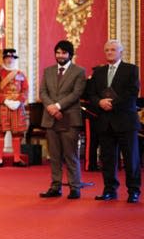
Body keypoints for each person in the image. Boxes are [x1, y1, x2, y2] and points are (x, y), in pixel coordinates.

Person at [87, 39, 141, 203]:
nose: (110, 52)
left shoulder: (131, 69)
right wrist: (99, 102)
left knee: (131, 158)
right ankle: (110, 189)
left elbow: (132, 92)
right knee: (108, 158)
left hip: (125, 120)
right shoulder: (98, 72)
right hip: (105, 121)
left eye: (113, 50)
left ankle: (133, 190)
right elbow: (91, 93)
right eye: (107, 50)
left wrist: (112, 103)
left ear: (120, 52)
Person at [38, 40, 86, 199]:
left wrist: (57, 106)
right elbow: (43, 92)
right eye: (57, 53)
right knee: (54, 155)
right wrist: (51, 107)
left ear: (70, 54)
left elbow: (76, 93)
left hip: (70, 118)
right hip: (50, 118)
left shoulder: (79, 71)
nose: (60, 56)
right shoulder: (48, 71)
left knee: (70, 154)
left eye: (63, 53)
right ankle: (55, 186)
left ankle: (75, 187)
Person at [0, 48, 28, 167]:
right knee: (1, 133)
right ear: (4, 59)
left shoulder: (21, 74)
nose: (9, 60)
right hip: (3, 106)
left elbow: (25, 90)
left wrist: (19, 101)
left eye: (12, 57)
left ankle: (16, 159)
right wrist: (5, 100)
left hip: (17, 107)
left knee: (17, 134)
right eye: (7, 57)